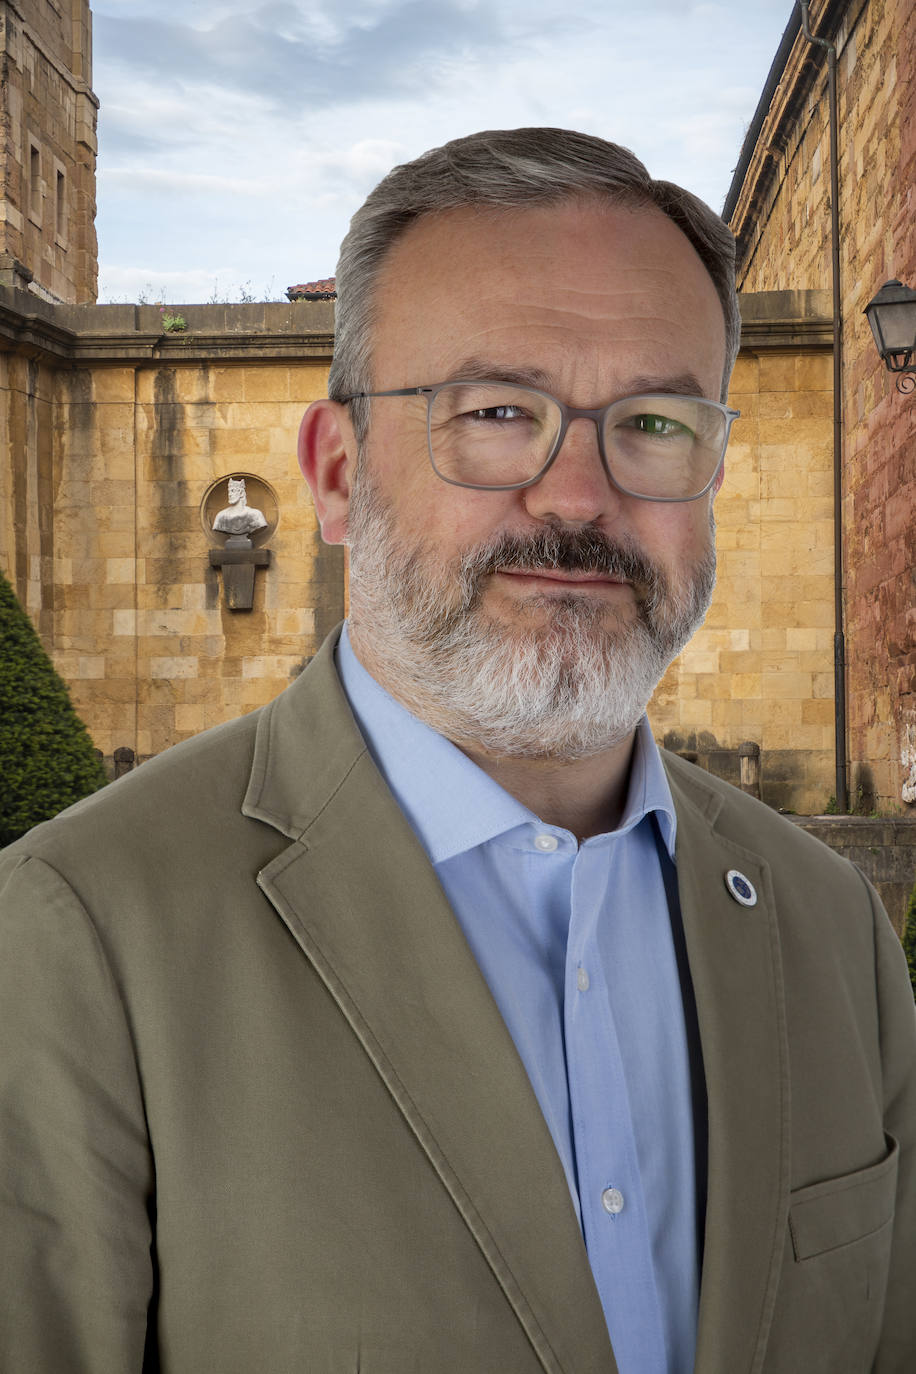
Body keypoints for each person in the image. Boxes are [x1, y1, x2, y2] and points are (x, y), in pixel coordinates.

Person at [1, 128, 913, 1374]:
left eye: (651, 421)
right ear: (332, 472)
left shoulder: (828, 924)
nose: (577, 495)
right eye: (496, 412)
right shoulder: (76, 937)